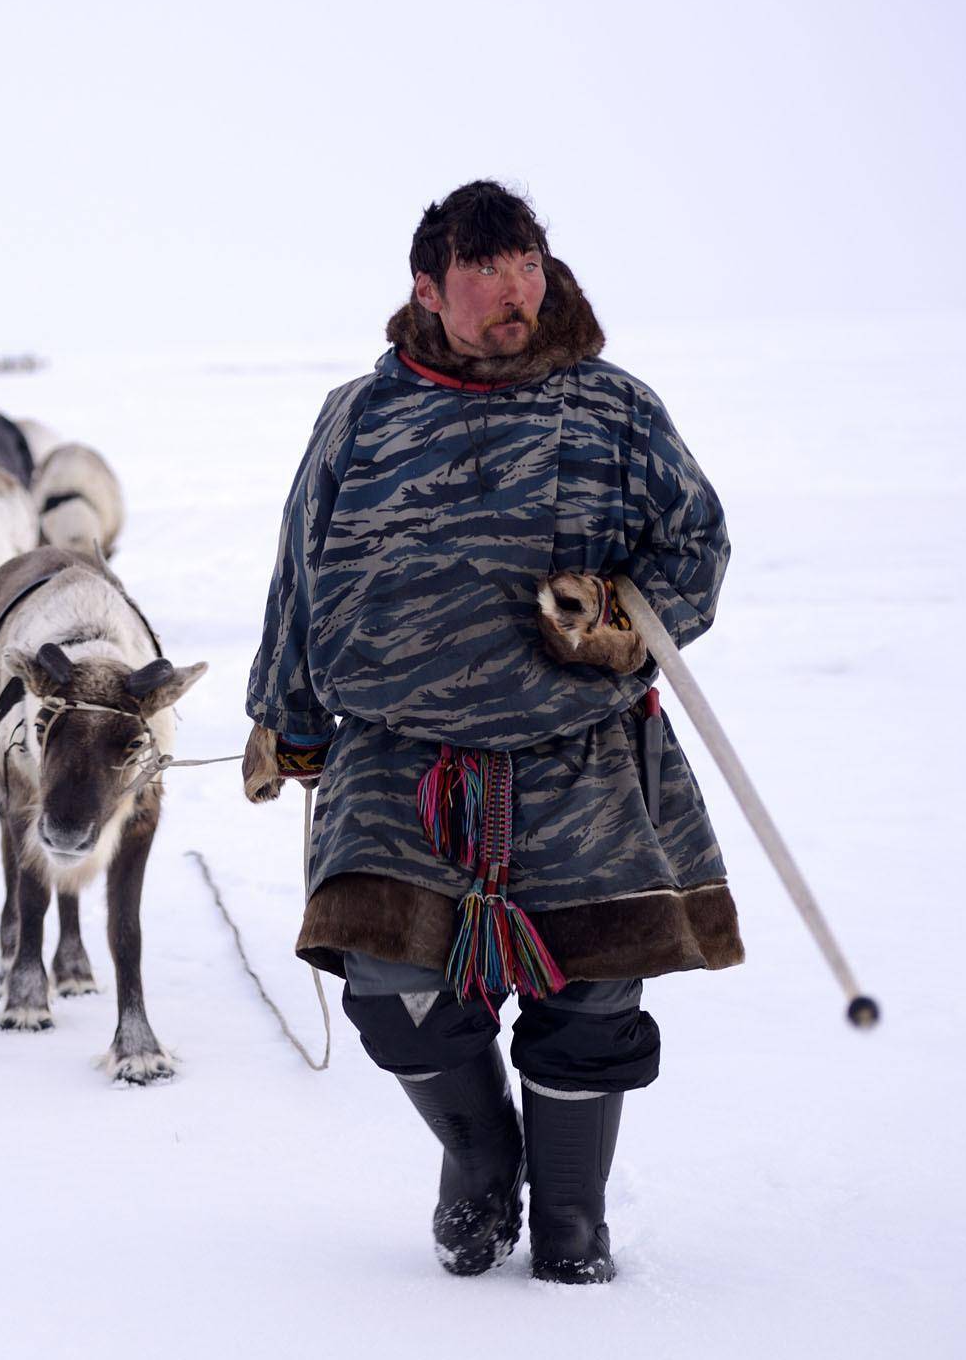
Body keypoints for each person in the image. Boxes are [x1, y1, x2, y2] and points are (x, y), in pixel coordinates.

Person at [243, 181, 743, 1284]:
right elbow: (297, 571)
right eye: (487, 270)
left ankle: (570, 1211)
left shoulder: (612, 408)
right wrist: (284, 717)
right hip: (398, 758)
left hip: (579, 757)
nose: (516, 291)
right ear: (428, 287)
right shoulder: (357, 417)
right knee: (387, 980)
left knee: (591, 992)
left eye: (527, 264)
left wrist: (618, 618)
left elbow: (694, 546)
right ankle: (478, 1162)